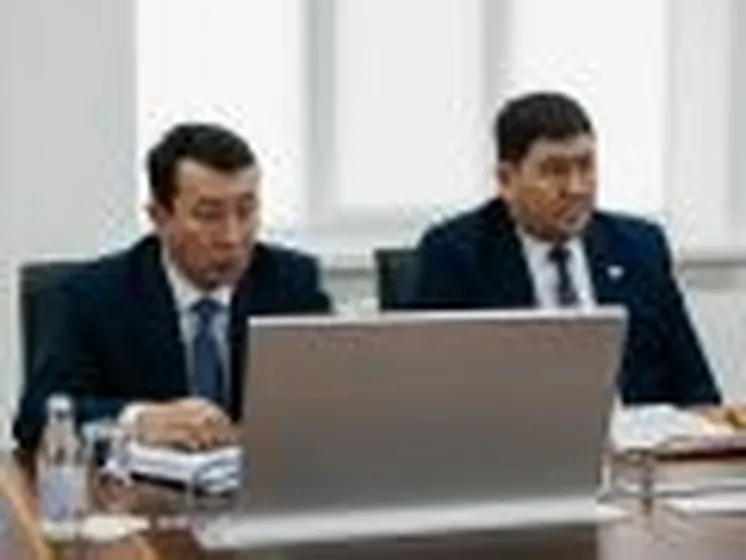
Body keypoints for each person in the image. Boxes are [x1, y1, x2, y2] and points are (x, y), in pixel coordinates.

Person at [14, 123, 331, 450]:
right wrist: (139, 420)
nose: (232, 237)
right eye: (209, 215)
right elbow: (34, 419)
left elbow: (332, 404)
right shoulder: (92, 296)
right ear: (159, 216)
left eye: (246, 211)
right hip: (142, 483)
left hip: (264, 479)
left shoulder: (292, 282)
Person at [406, 91, 721, 406]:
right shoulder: (455, 253)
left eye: (586, 166)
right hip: (514, 431)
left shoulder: (640, 246)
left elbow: (697, 388)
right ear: (506, 180)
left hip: (636, 434)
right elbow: (424, 394)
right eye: (554, 170)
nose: (576, 188)